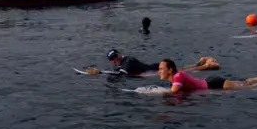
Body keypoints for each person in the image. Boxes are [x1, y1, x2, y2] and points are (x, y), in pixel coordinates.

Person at [156, 59, 257, 93]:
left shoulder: (178, 76)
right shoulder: (176, 77)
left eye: (161, 69)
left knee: (248, 87)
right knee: (245, 82)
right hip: (210, 82)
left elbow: (172, 92)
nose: (159, 71)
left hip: (213, 84)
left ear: (170, 70)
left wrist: (148, 92)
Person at [84, 51, 221, 75]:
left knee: (181, 70)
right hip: (155, 66)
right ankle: (200, 62)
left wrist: (100, 72)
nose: (114, 60)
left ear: (119, 55)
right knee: (181, 68)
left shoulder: (128, 61)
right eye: (112, 59)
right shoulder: (123, 62)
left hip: (154, 68)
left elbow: (122, 74)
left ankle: (206, 65)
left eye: (115, 57)